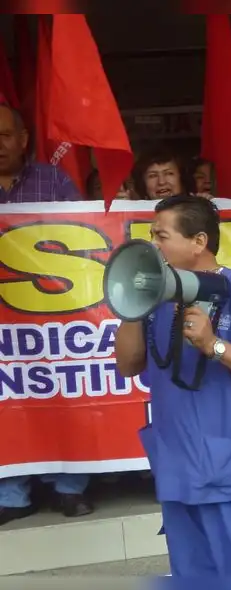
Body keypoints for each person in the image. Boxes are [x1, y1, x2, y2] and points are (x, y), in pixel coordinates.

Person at [113, 195, 231, 576]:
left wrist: (214, 345)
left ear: (198, 241)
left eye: (161, 236)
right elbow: (128, 364)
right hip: (180, 474)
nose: (153, 245)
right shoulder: (157, 297)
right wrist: (134, 301)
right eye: (152, 235)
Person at [0, 104, 94, 527]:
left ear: (23, 139)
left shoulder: (53, 181)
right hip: (3, 327)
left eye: (5, 135)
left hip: (54, 319)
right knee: (7, 401)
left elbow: (84, 237)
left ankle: (69, 488)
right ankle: (11, 495)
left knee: (62, 396)